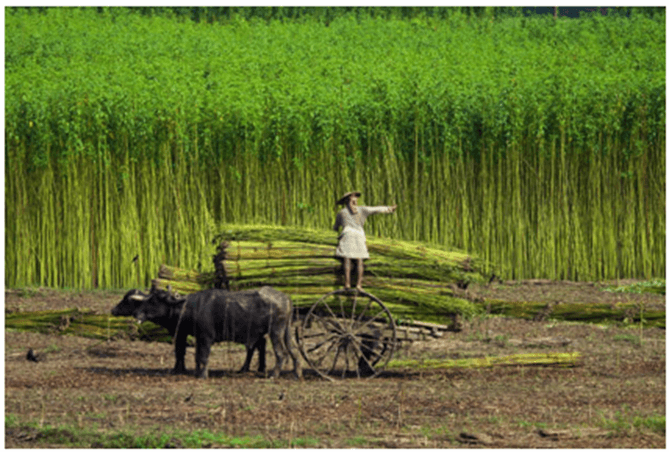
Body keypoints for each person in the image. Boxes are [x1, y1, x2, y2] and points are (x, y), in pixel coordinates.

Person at [333, 191, 397, 290]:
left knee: (347, 259)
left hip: (347, 235)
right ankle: (359, 285)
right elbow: (375, 209)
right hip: (359, 236)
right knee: (359, 260)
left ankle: (347, 284)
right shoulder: (362, 210)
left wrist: (336, 230)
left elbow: (335, 227)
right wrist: (389, 209)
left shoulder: (341, 213)